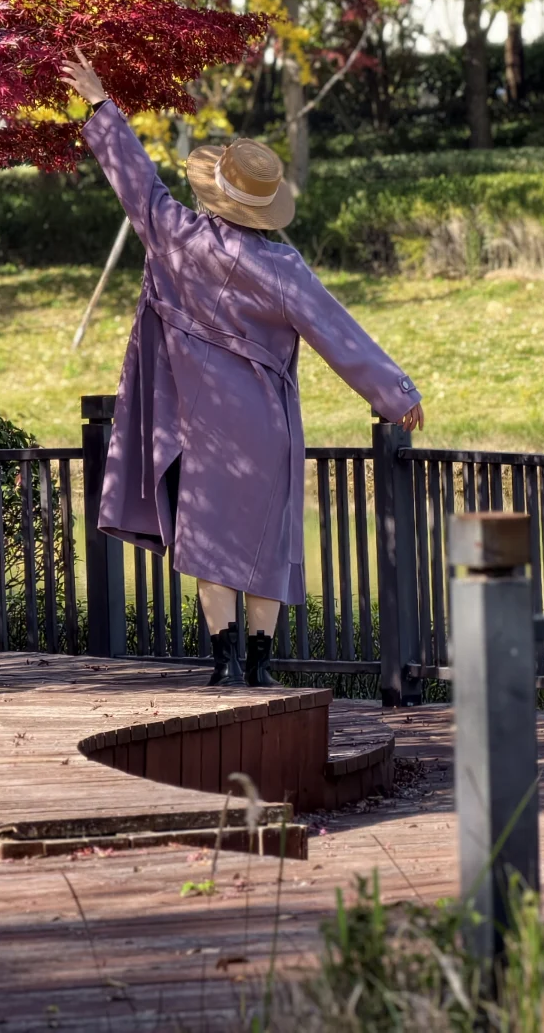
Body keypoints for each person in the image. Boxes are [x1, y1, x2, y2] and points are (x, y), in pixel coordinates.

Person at [60, 50, 424, 690]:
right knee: (268, 548)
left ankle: (224, 667)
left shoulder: (175, 237)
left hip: (201, 425)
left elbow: (137, 181)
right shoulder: (283, 270)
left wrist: (100, 103)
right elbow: (342, 336)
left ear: (214, 192)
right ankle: (260, 669)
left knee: (210, 544)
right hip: (265, 423)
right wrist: (396, 394)